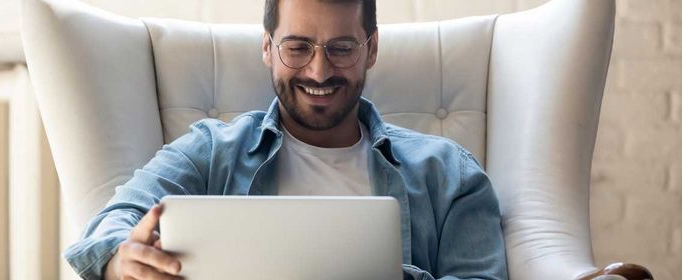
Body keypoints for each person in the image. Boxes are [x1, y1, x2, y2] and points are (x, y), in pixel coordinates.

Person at [64, 0, 508, 279]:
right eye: (297, 48)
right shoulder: (211, 151)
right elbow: (115, 218)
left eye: (341, 48)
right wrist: (122, 262)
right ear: (267, 47)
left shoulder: (450, 173)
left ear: (371, 49)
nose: (319, 71)